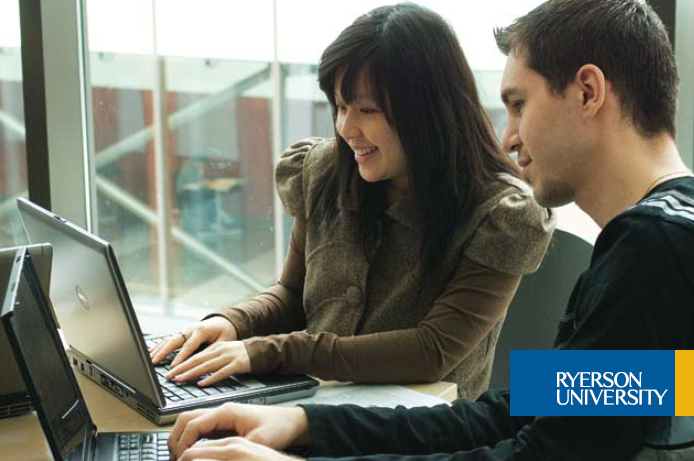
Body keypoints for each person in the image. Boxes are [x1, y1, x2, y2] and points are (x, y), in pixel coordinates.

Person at [165, 0, 694, 460]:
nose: (510, 136)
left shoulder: (659, 253)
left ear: (589, 92)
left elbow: (541, 454)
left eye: (519, 105)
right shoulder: (684, 229)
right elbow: (518, 414)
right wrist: (303, 424)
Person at [150, 3, 554, 401]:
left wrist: (267, 353)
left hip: (420, 432)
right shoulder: (323, 169)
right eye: (341, 107)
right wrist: (232, 323)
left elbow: (432, 351)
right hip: (310, 404)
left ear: (427, 112)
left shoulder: (501, 213)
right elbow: (292, 294)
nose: (346, 128)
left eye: (366, 110)